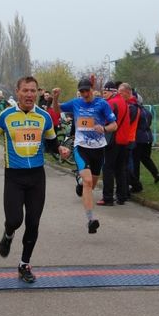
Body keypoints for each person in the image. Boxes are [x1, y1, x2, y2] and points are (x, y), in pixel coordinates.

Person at [0, 76, 69, 283]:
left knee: (33, 223)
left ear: (37, 92)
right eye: (25, 90)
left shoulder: (44, 117)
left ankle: (24, 264)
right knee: (14, 220)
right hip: (14, 176)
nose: (29, 94)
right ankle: (8, 234)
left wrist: (60, 149)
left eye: (33, 91)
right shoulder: (5, 116)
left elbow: (51, 142)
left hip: (37, 177)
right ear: (18, 92)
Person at [52, 77, 117, 234]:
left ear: (92, 89)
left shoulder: (102, 104)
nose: (84, 94)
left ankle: (81, 183)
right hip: (81, 147)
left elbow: (114, 125)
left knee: (91, 185)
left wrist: (105, 128)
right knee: (88, 182)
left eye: (87, 91)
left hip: (98, 149)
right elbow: (57, 110)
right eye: (81, 91)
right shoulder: (76, 103)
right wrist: (55, 98)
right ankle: (90, 220)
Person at [98, 81, 130, 205]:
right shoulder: (124, 102)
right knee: (120, 169)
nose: (103, 94)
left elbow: (105, 120)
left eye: (105, 92)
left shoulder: (111, 103)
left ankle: (107, 198)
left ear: (112, 92)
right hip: (124, 140)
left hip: (113, 140)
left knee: (108, 168)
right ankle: (122, 196)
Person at [129, 96, 159, 192]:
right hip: (148, 137)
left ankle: (136, 183)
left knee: (136, 161)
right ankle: (156, 173)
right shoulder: (147, 112)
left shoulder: (135, 111)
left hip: (139, 138)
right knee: (146, 158)